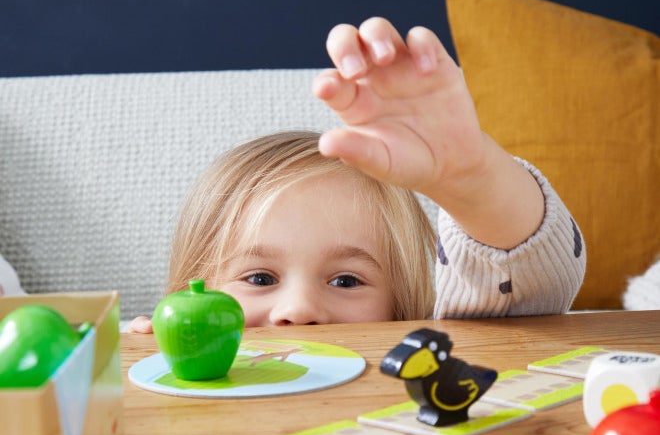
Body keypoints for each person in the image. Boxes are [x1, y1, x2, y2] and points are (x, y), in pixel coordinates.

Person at [131, 17, 585, 331]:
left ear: (403, 309)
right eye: (259, 279)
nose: (299, 310)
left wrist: (470, 178)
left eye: (346, 281)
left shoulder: (421, 354)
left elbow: (523, 287)